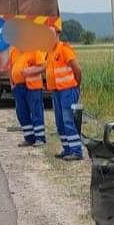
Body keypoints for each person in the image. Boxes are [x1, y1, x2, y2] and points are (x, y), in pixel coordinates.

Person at [44, 28, 83, 161]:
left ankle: (76, 151)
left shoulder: (64, 49)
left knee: (68, 121)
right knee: (60, 122)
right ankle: (67, 149)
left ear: (57, 35)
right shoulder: (49, 52)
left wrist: (76, 86)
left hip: (67, 90)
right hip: (56, 92)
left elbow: (77, 70)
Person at [8, 46, 47, 147]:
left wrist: (29, 71)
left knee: (36, 111)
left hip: (32, 86)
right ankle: (29, 138)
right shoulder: (14, 50)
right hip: (18, 87)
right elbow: (11, 67)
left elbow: (43, 66)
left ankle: (40, 138)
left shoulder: (34, 49)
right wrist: (11, 83)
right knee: (21, 112)